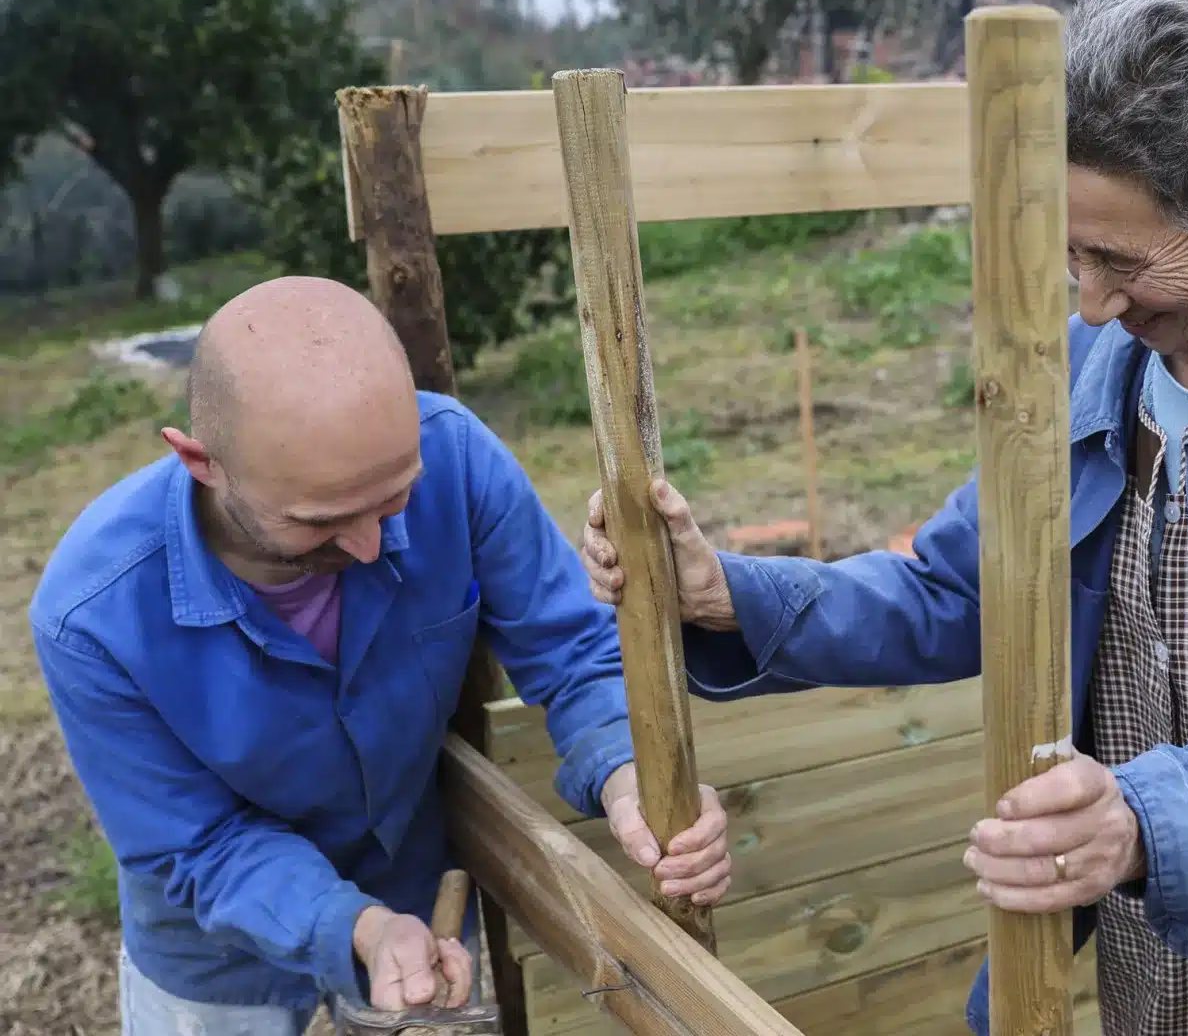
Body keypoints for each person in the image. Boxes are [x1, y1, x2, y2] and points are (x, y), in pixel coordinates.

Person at [576, 0, 1188, 1036]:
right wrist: (730, 595)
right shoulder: (1094, 362)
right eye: (1073, 256)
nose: (1091, 303)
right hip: (1162, 920)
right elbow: (958, 585)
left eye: (1125, 262)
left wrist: (1137, 815)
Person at [29, 277, 733, 1036]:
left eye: (396, 500)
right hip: (216, 946)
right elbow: (195, 841)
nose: (370, 545)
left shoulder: (456, 458)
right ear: (203, 463)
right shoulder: (90, 615)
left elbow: (573, 650)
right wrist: (353, 927)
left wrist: (627, 769)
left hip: (416, 897)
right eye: (321, 521)